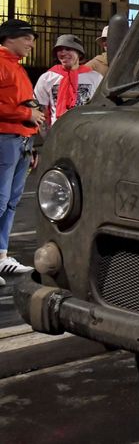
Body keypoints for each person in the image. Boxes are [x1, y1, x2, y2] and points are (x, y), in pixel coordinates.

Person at [0, 20, 44, 283]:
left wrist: (32, 142)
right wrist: (27, 113)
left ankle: (2, 256)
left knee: (11, 201)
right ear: (10, 38)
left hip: (20, 141)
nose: (31, 44)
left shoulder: (15, 67)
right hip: (5, 139)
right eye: (27, 38)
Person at [34, 34, 104, 129]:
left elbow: (101, 107)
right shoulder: (47, 78)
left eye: (68, 49)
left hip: (87, 131)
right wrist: (46, 135)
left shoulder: (95, 77)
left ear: (79, 53)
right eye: (59, 49)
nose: (63, 52)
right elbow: (41, 110)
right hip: (57, 132)